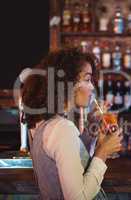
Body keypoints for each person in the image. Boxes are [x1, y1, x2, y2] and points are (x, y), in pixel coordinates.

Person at [22, 48, 122, 199]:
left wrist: (95, 137)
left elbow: (74, 160)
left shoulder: (46, 124)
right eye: (87, 80)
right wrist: (103, 153)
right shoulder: (62, 128)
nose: (92, 87)